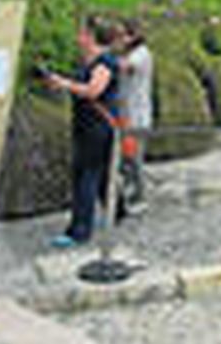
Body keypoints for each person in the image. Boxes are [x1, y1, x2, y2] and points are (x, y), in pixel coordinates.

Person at [42, 15, 122, 248]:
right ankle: (117, 210)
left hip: (97, 127)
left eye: (82, 33)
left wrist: (65, 84)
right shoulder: (92, 62)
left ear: (91, 37)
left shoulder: (104, 63)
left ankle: (80, 230)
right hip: (89, 124)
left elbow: (93, 91)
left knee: (85, 176)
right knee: (101, 174)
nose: (78, 38)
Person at [116, 17, 154, 211]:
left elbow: (125, 67)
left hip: (137, 117)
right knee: (125, 158)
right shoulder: (128, 53)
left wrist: (101, 57)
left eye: (122, 35)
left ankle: (141, 197)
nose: (119, 40)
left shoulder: (141, 54)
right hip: (125, 115)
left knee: (134, 158)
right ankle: (129, 194)